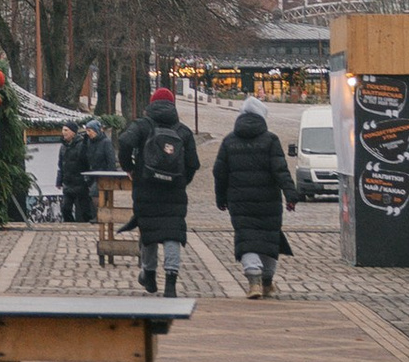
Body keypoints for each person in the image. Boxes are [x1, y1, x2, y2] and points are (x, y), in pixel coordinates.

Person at [215, 102, 300, 297]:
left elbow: (219, 173)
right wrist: (290, 194)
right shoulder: (270, 140)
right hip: (268, 200)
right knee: (269, 239)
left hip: (240, 201)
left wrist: (221, 197)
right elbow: (280, 170)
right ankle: (267, 281)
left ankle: (254, 282)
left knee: (246, 238)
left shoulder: (229, 141)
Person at [125, 82, 199, 295]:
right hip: (174, 191)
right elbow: (193, 163)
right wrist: (181, 181)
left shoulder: (142, 126)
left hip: (146, 188)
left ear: (152, 104)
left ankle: (148, 275)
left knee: (149, 231)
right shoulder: (183, 131)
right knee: (172, 235)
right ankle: (170, 283)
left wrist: (130, 169)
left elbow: (124, 141)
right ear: (173, 105)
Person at [56, 119, 108, 227]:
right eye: (63, 130)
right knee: (65, 209)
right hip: (68, 183)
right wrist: (59, 180)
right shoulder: (63, 147)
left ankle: (88, 228)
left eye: (66, 130)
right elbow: (61, 165)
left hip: (80, 183)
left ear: (73, 132)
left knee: (85, 210)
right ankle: (70, 226)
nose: (63, 132)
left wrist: (88, 180)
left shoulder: (82, 145)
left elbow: (86, 161)